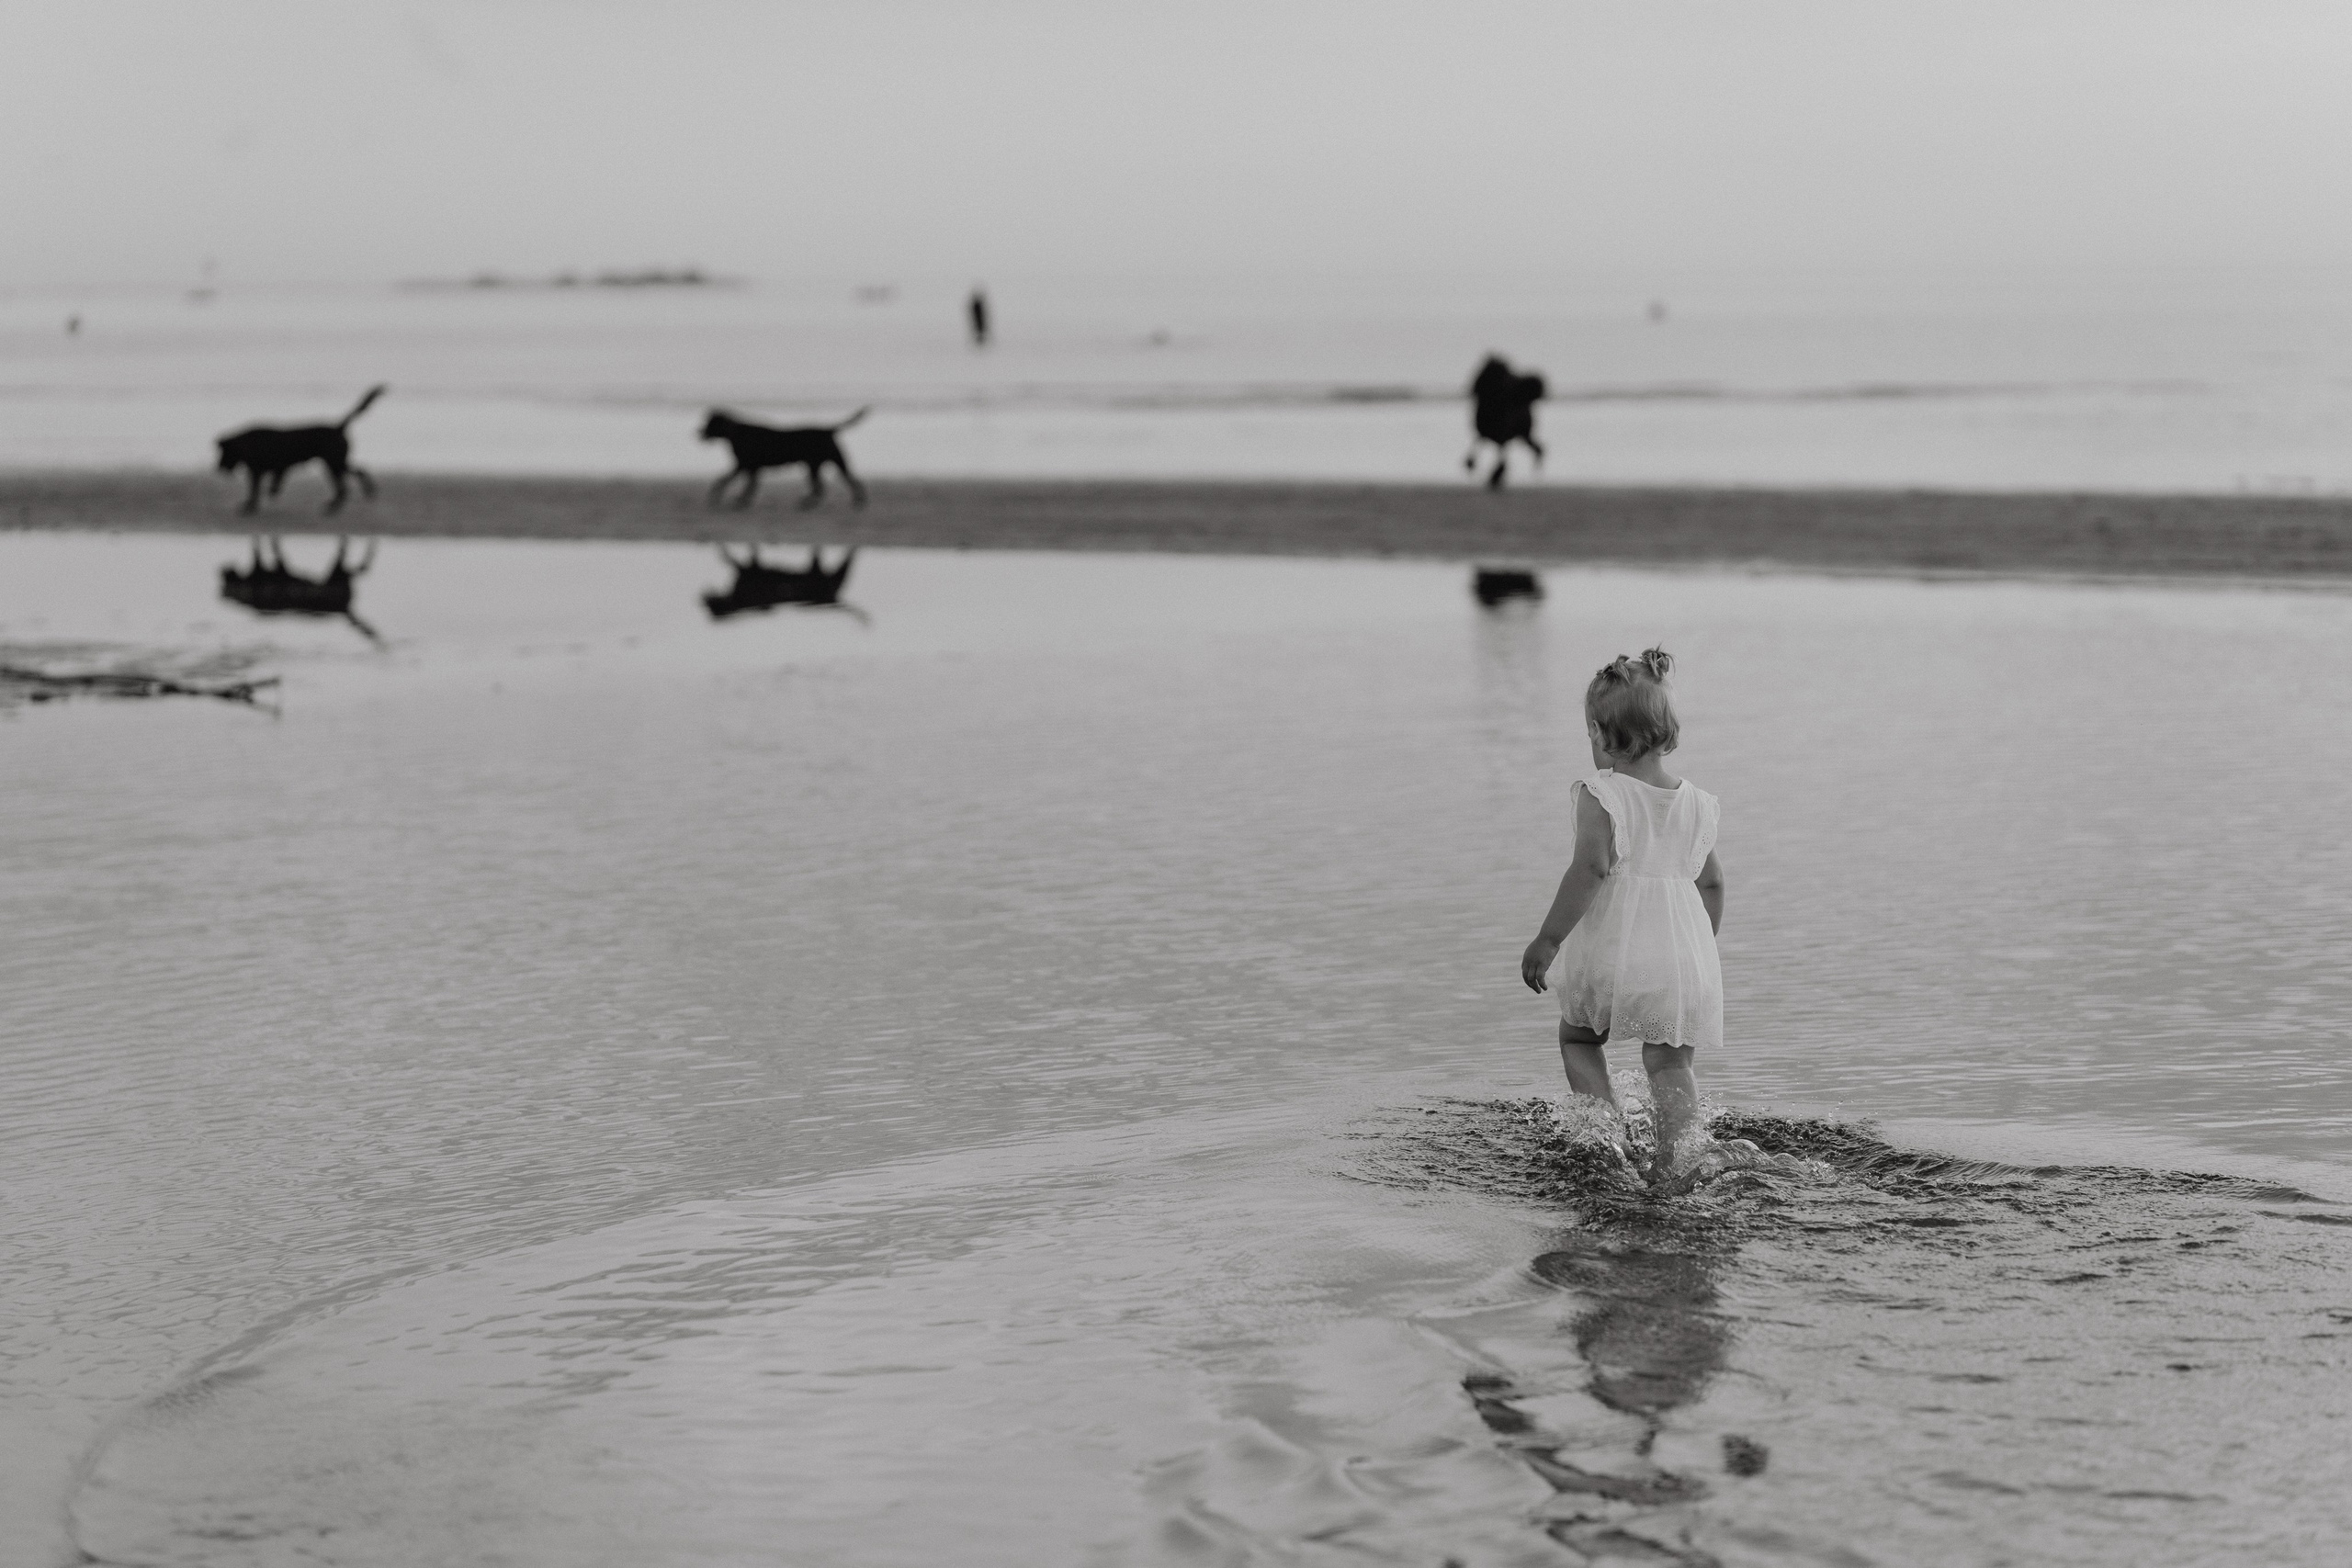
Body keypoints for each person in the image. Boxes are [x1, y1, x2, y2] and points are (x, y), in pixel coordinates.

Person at [1520, 648, 1726, 1178]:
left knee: (1579, 1038)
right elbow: (1712, 882)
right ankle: (1679, 1159)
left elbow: (1590, 870)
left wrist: (1548, 940)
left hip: (1613, 956)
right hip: (1680, 959)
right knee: (1671, 1061)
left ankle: (1608, 1135)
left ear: (1598, 732)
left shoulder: (1602, 795)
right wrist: (1697, 951)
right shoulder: (1697, 803)